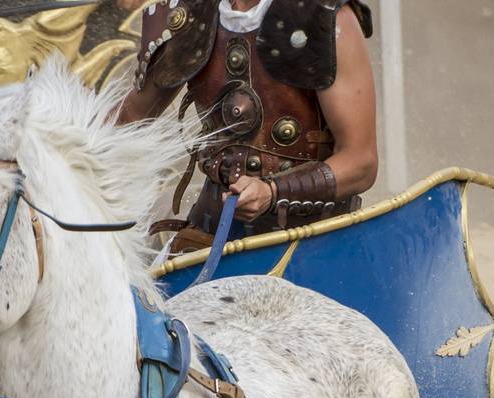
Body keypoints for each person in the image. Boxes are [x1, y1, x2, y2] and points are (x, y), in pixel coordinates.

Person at [118, 0, 378, 248]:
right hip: (209, 234)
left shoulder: (326, 16)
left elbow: (361, 163)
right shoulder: (189, 15)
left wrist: (272, 191)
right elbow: (123, 127)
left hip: (312, 242)